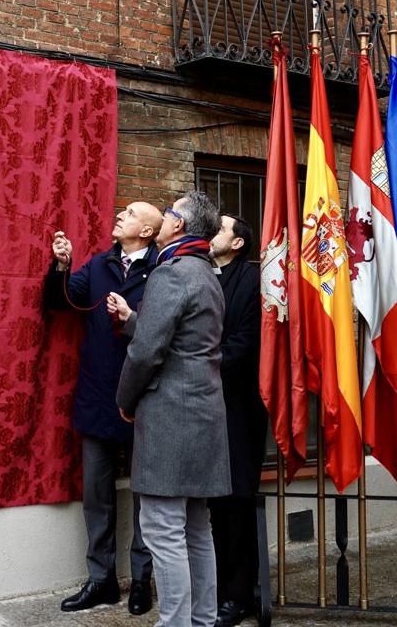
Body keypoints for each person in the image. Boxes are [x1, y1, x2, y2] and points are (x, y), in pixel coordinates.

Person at [113, 190, 230, 627]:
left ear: (177, 225)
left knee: (163, 531)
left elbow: (146, 353)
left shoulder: (172, 273)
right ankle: (201, 621)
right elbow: (182, 338)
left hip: (170, 417)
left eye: (166, 212)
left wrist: (125, 400)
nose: (162, 216)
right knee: (197, 530)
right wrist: (133, 319)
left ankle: (176, 623)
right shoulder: (205, 272)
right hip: (204, 414)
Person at [43, 201, 164, 614]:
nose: (119, 215)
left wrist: (132, 316)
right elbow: (60, 301)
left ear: (147, 232)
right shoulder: (98, 265)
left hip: (145, 397)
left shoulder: (164, 271)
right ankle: (102, 580)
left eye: (130, 214)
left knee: (147, 496)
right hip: (98, 396)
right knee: (97, 495)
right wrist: (62, 265)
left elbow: (165, 334)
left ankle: (143, 579)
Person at [207, 214, 264, 627]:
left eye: (219, 229)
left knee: (237, 503)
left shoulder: (253, 281)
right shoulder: (204, 274)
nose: (211, 235)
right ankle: (217, 587)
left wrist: (198, 369)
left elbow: (246, 343)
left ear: (238, 243)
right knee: (212, 504)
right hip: (203, 408)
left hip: (239, 407)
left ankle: (239, 594)